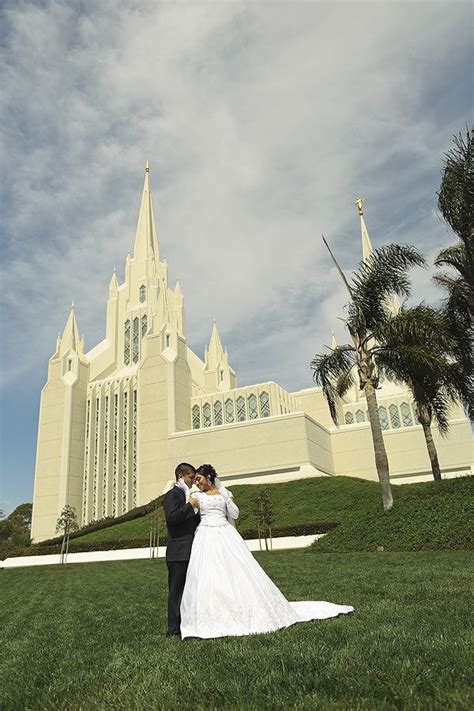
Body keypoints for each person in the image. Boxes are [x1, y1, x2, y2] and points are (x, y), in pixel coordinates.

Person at [180, 464, 353, 639]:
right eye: (195, 480)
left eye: (199, 479)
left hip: (225, 533)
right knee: (209, 573)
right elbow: (189, 514)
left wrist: (227, 497)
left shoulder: (224, 493)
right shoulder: (196, 496)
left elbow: (235, 514)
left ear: (208, 477)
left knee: (238, 571)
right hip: (206, 535)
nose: (197, 483)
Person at [162, 462, 200, 638]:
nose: (193, 481)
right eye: (191, 477)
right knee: (176, 592)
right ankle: (173, 630)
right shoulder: (172, 495)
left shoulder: (188, 495)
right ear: (181, 477)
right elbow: (172, 518)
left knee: (191, 590)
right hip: (178, 552)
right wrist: (190, 505)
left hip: (192, 550)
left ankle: (188, 624)